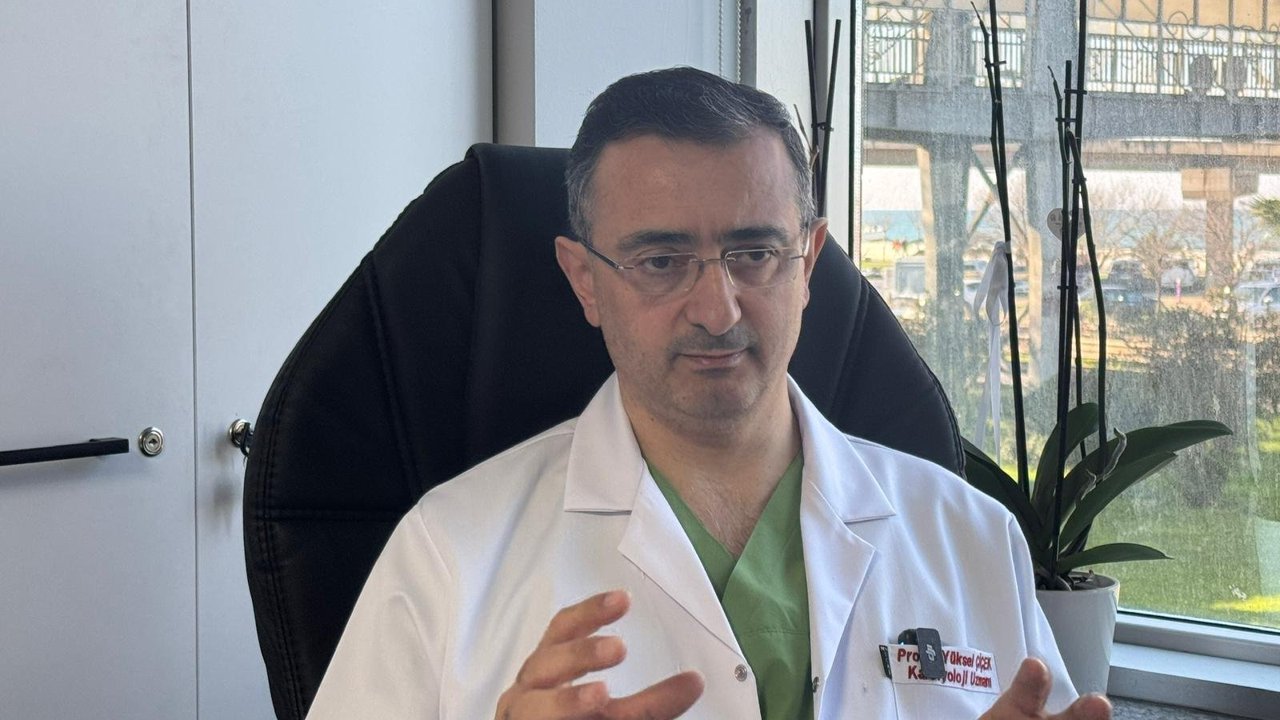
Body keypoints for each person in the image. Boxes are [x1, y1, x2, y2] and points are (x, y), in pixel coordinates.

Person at [306, 67, 1112, 720]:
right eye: (660, 261)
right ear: (584, 281)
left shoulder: (970, 538)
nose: (717, 310)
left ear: (808, 262)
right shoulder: (448, 555)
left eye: (754, 253)